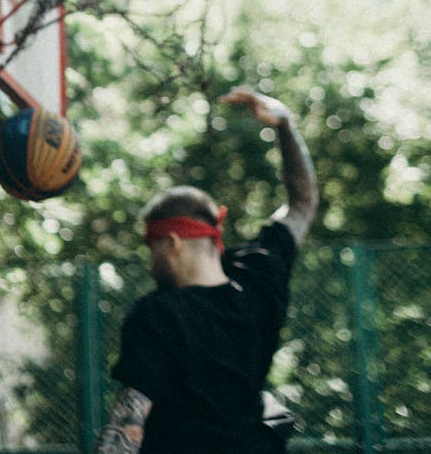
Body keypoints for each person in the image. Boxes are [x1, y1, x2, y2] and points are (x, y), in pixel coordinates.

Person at [93, 87, 318, 454]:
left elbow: (127, 424)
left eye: (153, 250)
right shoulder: (259, 280)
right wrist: (285, 125)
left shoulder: (159, 314)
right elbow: (302, 204)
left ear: (173, 243)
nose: (151, 264)